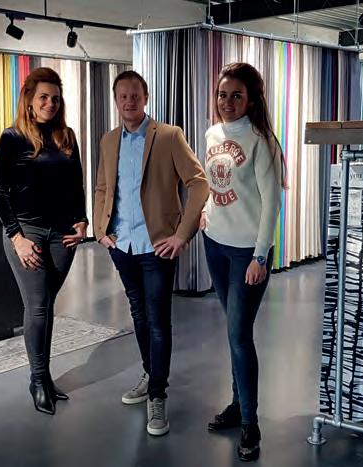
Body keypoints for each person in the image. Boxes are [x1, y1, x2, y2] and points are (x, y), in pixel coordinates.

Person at [93, 70, 209, 436]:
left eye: (135, 95)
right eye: (123, 96)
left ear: (146, 98)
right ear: (116, 100)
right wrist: (100, 230)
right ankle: (150, 373)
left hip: (157, 246)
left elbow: (198, 183)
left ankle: (158, 394)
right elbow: (102, 187)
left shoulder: (169, 136)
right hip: (122, 245)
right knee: (139, 315)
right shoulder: (109, 140)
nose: (129, 101)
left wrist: (182, 234)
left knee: (158, 321)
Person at [200, 62, 285, 461]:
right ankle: (237, 406)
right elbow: (213, 182)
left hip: (247, 253)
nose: (227, 102)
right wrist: (205, 213)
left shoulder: (261, 140)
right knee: (234, 331)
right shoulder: (212, 134)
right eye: (222, 94)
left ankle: (251, 423)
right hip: (215, 244)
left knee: (238, 335)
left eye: (236, 95)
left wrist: (260, 255)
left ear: (251, 100)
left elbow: (272, 204)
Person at [0, 67, 87, 416]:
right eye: (44, 97)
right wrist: (15, 237)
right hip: (27, 231)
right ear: (30, 100)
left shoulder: (67, 136)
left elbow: (76, 185)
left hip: (63, 235)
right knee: (38, 306)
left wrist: (83, 221)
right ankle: (37, 381)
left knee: (47, 303)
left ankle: (44, 377)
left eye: (55, 98)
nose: (50, 103)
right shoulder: (13, 137)